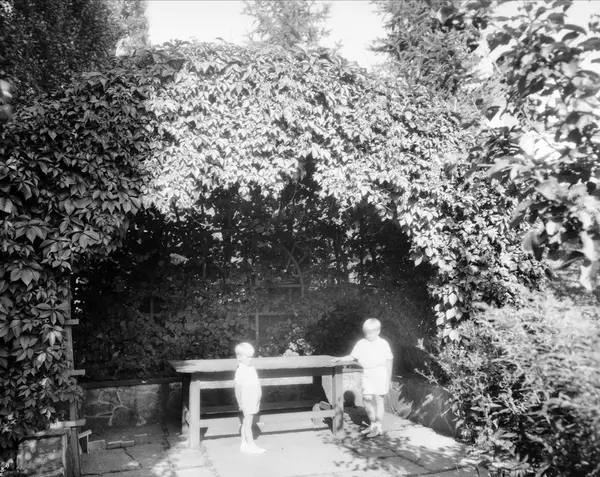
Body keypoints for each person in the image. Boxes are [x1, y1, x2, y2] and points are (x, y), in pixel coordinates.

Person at [331, 318, 394, 438]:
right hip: (367, 373)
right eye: (366, 333)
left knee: (379, 400)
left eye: (371, 333)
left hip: (380, 373)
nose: (368, 335)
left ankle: (378, 426)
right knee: (366, 399)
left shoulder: (383, 344)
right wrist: (340, 359)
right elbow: (352, 356)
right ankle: (372, 424)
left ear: (378, 331)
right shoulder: (361, 343)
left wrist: (388, 379)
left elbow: (389, 361)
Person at [234, 342, 266, 454]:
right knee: (248, 422)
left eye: (252, 357)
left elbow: (256, 383)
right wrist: (240, 402)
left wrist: (258, 396)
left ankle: (244, 443)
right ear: (239, 357)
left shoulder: (251, 368)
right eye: (247, 357)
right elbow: (237, 388)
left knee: (246, 421)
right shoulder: (241, 370)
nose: (250, 359)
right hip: (247, 398)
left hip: (253, 397)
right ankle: (251, 444)